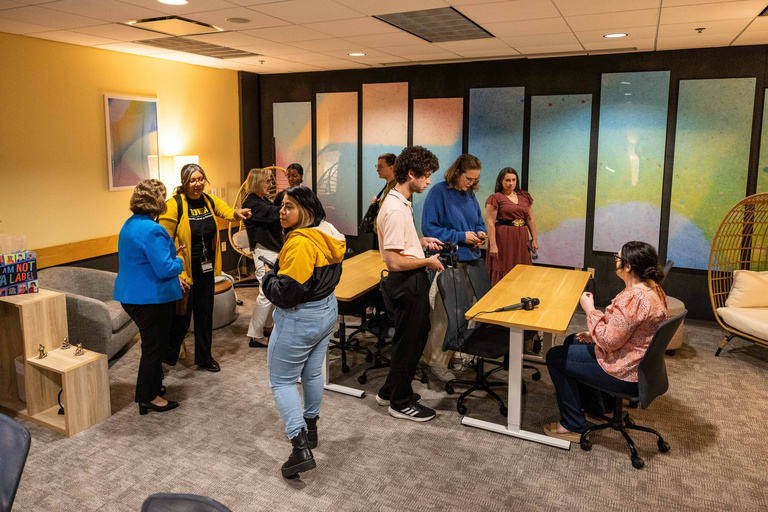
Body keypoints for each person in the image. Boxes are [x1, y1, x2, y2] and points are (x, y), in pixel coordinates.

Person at [260, 186, 346, 479]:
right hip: (326, 310)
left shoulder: (300, 243)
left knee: (282, 381)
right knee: (311, 373)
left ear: (306, 211)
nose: (281, 212)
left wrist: (268, 278)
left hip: (300, 318)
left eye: (289, 206)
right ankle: (311, 431)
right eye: (281, 206)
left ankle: (300, 449)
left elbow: (286, 295)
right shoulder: (328, 232)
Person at [544, 241, 668, 442]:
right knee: (572, 341)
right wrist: (594, 333)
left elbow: (609, 342)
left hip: (625, 371)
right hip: (639, 363)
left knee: (555, 357)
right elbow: (627, 327)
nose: (615, 261)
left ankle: (572, 424)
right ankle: (599, 404)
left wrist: (590, 309)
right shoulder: (653, 289)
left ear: (628, 267)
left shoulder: (635, 298)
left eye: (617, 258)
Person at [159, 163, 251, 372]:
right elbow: (163, 240)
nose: (197, 183)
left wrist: (238, 213)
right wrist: (174, 272)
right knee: (180, 319)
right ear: (184, 182)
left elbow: (226, 211)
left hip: (205, 268)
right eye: (192, 180)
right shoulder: (174, 205)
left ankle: (204, 357)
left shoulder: (208, 200)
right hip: (183, 271)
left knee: (204, 314)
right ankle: (164, 360)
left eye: (200, 179)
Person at [377, 145, 444, 421]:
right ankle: (400, 402)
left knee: (413, 336)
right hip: (406, 281)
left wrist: (420, 242)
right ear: (412, 174)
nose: (429, 181)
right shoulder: (394, 209)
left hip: (411, 279)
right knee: (409, 342)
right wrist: (426, 261)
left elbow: (401, 245)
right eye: (426, 175)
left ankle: (389, 391)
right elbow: (393, 262)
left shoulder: (402, 202)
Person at [114, 179, 185, 415]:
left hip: (131, 295)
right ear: (159, 202)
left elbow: (143, 259)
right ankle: (147, 397)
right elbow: (165, 269)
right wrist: (178, 260)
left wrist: (168, 255)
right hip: (149, 298)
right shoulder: (153, 229)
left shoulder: (130, 224)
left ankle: (153, 387)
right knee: (154, 348)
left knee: (152, 345)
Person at [420, 153, 486, 382]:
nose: (472, 183)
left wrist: (479, 232)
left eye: (475, 180)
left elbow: (478, 221)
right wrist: (461, 236)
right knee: (444, 315)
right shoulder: (438, 192)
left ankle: (453, 353)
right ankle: (435, 362)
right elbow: (429, 228)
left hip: (471, 262)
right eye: (469, 179)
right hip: (449, 262)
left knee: (464, 314)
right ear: (457, 172)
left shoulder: (469, 194)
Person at [242, 168, 283, 348]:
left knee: (271, 291)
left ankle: (266, 326)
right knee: (265, 294)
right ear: (257, 183)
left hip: (271, 250)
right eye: (267, 181)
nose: (270, 184)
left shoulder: (262, 200)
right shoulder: (252, 204)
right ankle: (255, 335)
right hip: (265, 253)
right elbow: (274, 213)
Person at [486, 168, 538, 286]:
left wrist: (534, 239)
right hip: (503, 237)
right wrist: (493, 245)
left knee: (522, 265)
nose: (511, 183)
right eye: (507, 180)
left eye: (513, 180)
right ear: (501, 181)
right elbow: (491, 222)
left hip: (522, 237)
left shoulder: (525, 196)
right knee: (504, 265)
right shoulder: (495, 198)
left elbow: (530, 219)